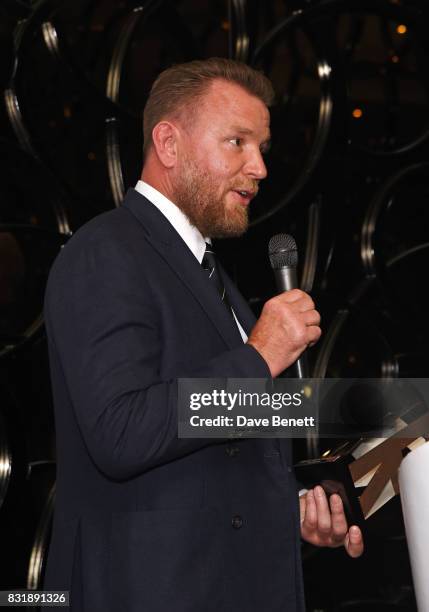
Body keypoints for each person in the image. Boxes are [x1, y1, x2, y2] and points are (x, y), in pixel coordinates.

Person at [43, 58, 363, 612]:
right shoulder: (106, 252)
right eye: (237, 142)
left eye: (260, 147)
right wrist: (260, 355)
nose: (259, 167)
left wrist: (302, 506)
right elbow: (121, 432)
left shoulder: (210, 276)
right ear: (168, 143)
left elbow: (219, 450)